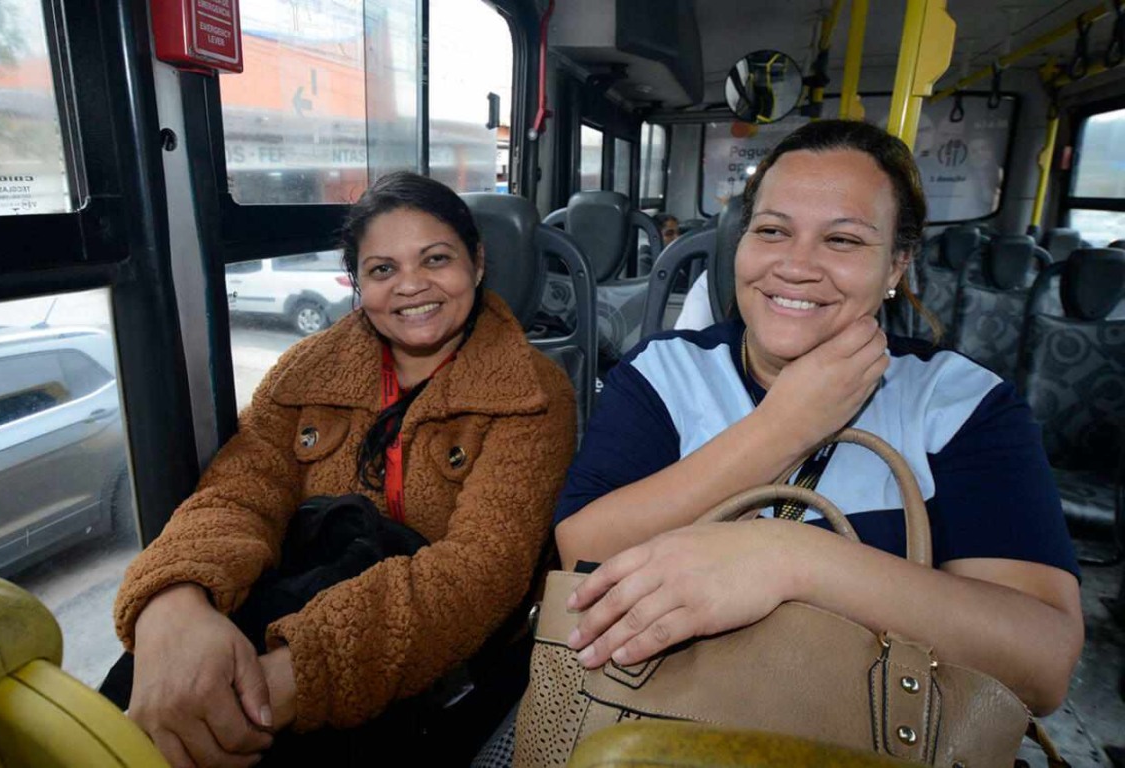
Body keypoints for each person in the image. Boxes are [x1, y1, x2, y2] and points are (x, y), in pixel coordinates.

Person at [553, 120, 1082, 717]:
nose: (796, 265)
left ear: (896, 266)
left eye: (843, 240)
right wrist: (784, 427)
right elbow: (583, 556)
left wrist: (791, 559)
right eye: (772, 230)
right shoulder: (667, 372)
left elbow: (1041, 664)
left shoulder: (958, 403)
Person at [112, 171, 577, 767]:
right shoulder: (306, 373)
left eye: (436, 259)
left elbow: (480, 571)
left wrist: (293, 676)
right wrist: (175, 603)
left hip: (446, 657)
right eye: (383, 269)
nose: (411, 285)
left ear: (478, 262)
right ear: (359, 282)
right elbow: (238, 491)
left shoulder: (533, 395)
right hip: (298, 599)